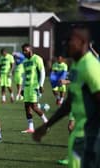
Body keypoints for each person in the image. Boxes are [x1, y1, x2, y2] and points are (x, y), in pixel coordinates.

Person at [32, 25, 100, 168]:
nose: (66, 44)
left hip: (89, 138)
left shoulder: (91, 67)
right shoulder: (76, 66)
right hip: (79, 135)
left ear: (83, 42)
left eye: (70, 40)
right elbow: (69, 103)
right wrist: (47, 125)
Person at [20, 43, 48, 133]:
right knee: (27, 107)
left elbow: (42, 72)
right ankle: (31, 128)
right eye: (23, 51)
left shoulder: (37, 58)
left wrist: (41, 85)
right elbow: (24, 75)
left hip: (34, 87)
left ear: (30, 50)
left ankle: (47, 123)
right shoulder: (24, 61)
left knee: (34, 107)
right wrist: (23, 88)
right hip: (27, 87)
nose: (24, 52)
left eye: (26, 50)